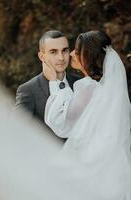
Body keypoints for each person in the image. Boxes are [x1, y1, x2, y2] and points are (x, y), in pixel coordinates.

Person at [43, 30, 131, 199]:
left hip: (91, 166)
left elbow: (61, 122)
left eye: (78, 50)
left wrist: (55, 83)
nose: (73, 54)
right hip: (112, 165)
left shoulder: (88, 88)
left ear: (89, 55)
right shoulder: (106, 90)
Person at [15, 30, 83, 125]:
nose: (61, 58)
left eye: (64, 50)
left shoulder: (81, 82)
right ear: (41, 56)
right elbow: (18, 129)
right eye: (53, 52)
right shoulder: (28, 90)